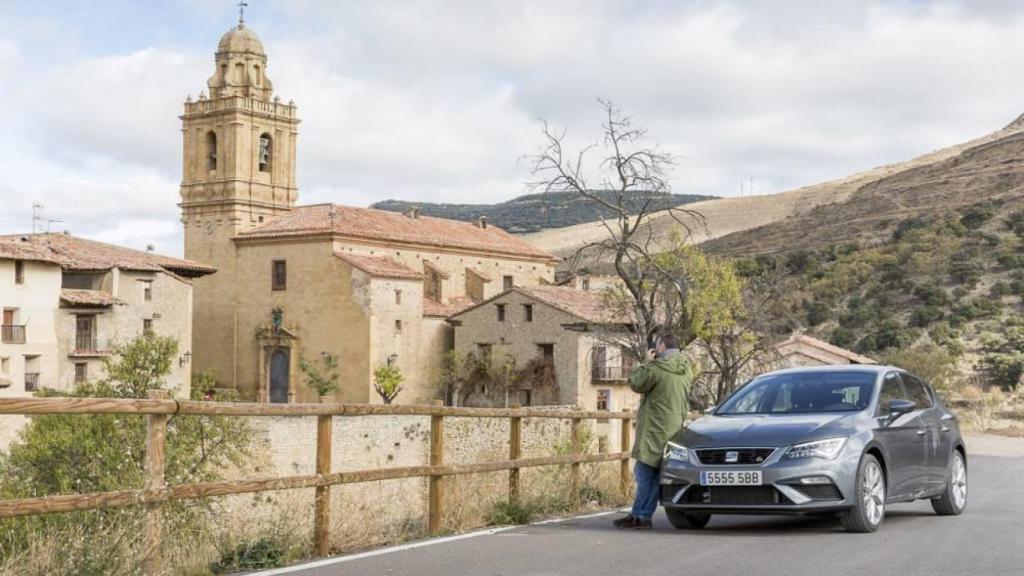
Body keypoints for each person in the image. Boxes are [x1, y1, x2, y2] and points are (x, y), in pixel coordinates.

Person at [613, 333, 693, 529]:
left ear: (662, 347)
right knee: (657, 476)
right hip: (674, 428)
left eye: (657, 346)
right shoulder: (686, 368)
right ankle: (642, 515)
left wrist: (646, 362)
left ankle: (639, 516)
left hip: (654, 429)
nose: (655, 349)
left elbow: (636, 383)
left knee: (643, 473)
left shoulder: (657, 368)